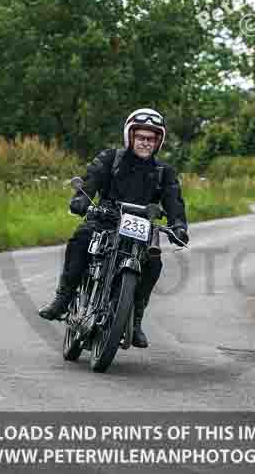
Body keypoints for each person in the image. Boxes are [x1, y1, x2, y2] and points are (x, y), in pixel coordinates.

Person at [38, 108, 190, 348]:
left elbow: (174, 201)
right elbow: (91, 180)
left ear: (158, 141)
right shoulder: (111, 158)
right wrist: (81, 199)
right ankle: (63, 299)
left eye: (151, 139)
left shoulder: (164, 172)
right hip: (105, 218)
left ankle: (135, 320)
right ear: (130, 136)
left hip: (142, 226)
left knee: (153, 263)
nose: (145, 143)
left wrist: (179, 226)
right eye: (141, 137)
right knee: (81, 239)